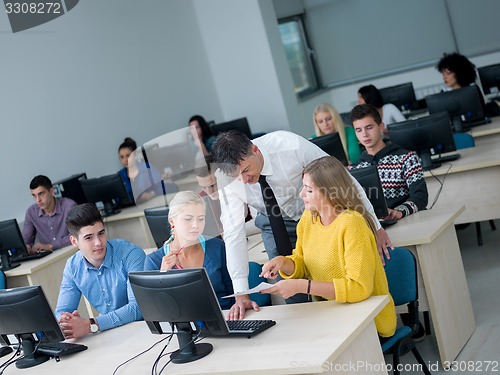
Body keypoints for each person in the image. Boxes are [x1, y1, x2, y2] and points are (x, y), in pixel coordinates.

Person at [211, 130, 393, 319]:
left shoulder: (291, 146)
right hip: (273, 222)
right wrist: (241, 294)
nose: (244, 181)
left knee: (333, 271)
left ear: (255, 150)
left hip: (312, 215)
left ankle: (350, 320)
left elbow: (342, 180)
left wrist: (375, 226)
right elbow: (234, 234)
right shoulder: (225, 177)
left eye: (246, 171)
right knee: (290, 289)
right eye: (236, 177)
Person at [260, 156, 396, 338]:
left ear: (330, 193)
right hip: (332, 314)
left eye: (308, 190)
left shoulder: (352, 224)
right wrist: (282, 262)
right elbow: (301, 263)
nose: (301, 194)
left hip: (368, 319)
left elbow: (358, 289)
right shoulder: (308, 220)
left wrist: (303, 286)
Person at [55, 203, 145, 338]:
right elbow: (61, 311)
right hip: (110, 335)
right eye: (89, 237)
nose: (98, 242)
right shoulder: (73, 267)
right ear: (74, 242)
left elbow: (137, 308)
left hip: (143, 329)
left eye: (101, 233)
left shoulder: (130, 254)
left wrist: (90, 325)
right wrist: (67, 322)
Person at [143, 191, 234, 309]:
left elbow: (234, 294)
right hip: (185, 325)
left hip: (226, 318)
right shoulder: (154, 261)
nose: (196, 225)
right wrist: (163, 278)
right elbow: (156, 310)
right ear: (172, 221)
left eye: (201, 219)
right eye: (188, 219)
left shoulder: (218, 247)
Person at [349, 104, 428, 220]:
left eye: (369, 127)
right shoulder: (354, 169)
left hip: (407, 219)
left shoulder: (407, 158)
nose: (364, 134)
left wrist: (399, 212)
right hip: (376, 228)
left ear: (381, 127)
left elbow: (420, 196)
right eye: (359, 130)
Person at [22, 175, 77, 254]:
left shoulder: (69, 206)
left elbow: (78, 234)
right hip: (49, 259)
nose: (38, 200)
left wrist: (50, 246)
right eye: (34, 195)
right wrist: (27, 247)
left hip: (71, 252)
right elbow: (26, 240)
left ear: (51, 191)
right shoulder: (31, 212)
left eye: (41, 194)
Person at [117, 137, 164, 204]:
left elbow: (161, 187)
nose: (125, 160)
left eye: (128, 155)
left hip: (152, 204)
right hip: (130, 209)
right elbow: (118, 198)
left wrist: (153, 194)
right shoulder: (119, 175)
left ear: (135, 154)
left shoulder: (147, 168)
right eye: (122, 157)